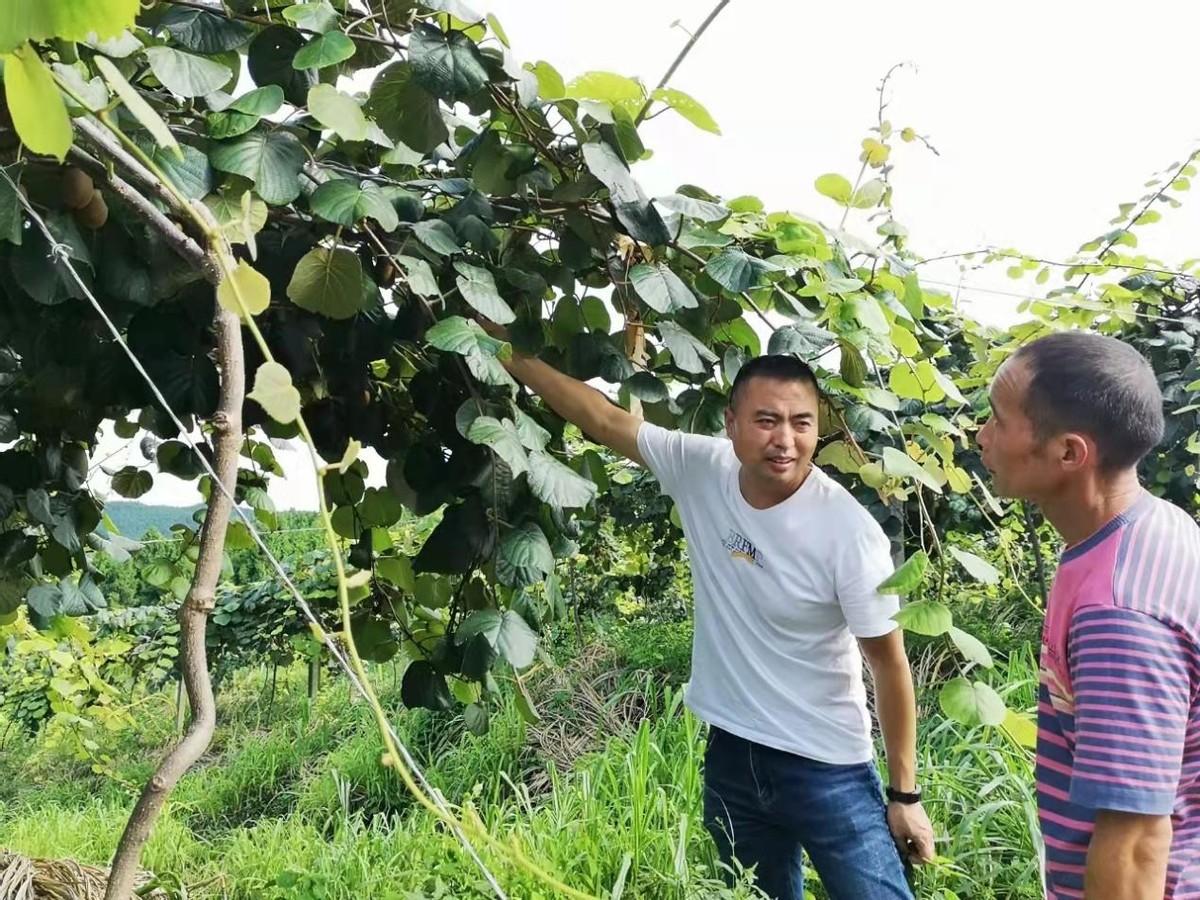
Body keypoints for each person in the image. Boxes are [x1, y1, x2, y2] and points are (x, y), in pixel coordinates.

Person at [490, 337, 934, 900]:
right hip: (733, 755)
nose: (785, 440)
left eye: (802, 422)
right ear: (732, 423)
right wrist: (506, 348)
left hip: (827, 767)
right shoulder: (702, 467)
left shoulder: (848, 534)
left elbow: (890, 666)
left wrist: (905, 796)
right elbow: (602, 419)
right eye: (767, 420)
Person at [977, 331, 1200, 899]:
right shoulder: (1152, 525)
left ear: (1070, 453)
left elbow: (1135, 844)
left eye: (998, 421)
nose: (982, 437)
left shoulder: (1119, 614)